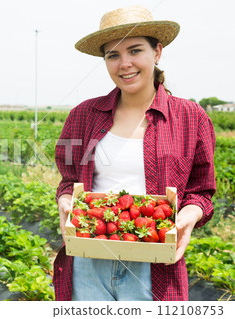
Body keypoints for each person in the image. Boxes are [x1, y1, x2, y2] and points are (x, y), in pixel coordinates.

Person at [54, 5, 216, 301]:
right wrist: (66, 202)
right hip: (88, 260)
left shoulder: (190, 116)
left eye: (135, 50)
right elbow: (68, 181)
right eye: (112, 55)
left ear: (157, 52)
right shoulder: (84, 114)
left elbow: (201, 191)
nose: (124, 63)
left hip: (155, 266)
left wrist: (187, 218)